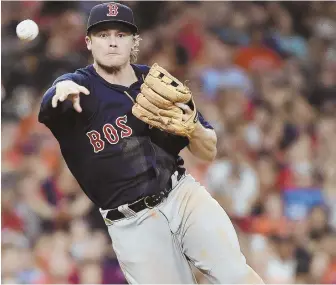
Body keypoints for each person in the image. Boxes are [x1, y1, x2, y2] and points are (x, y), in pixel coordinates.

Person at [38, 2, 264, 284]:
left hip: (183, 196)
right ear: (88, 41)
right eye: (102, 34)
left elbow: (208, 150)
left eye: (120, 35)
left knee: (236, 275)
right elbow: (50, 104)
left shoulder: (157, 83)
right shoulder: (78, 87)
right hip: (131, 223)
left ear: (134, 40)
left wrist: (194, 128)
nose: (111, 42)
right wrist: (61, 91)